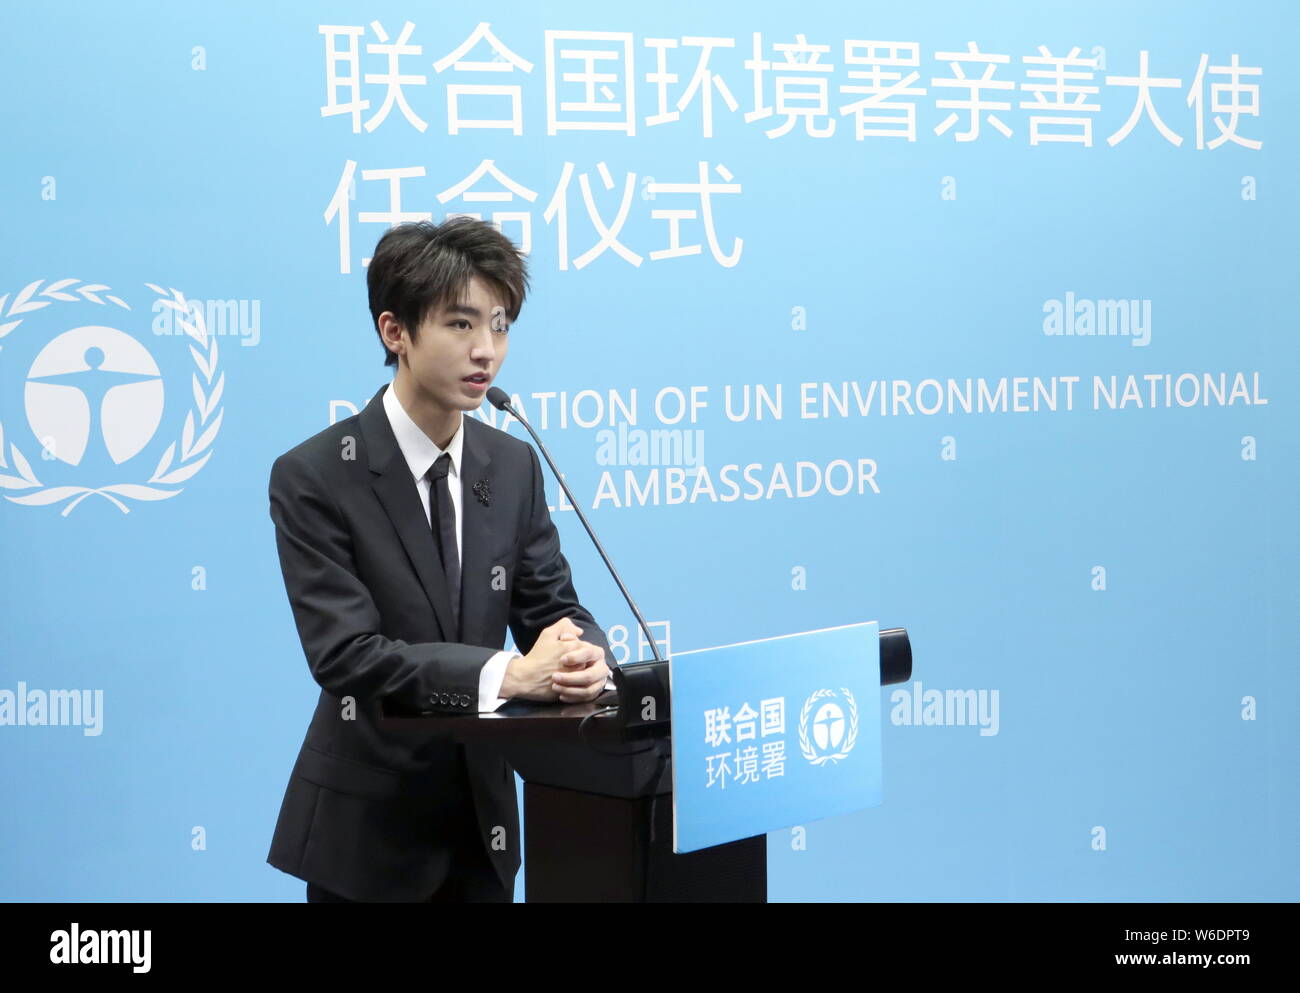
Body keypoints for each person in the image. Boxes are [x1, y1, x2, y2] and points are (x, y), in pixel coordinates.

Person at [265, 217, 611, 902]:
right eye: (460, 325)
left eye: (501, 325)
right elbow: (349, 654)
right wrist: (511, 673)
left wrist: (583, 655)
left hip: (483, 833)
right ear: (395, 331)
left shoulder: (511, 465)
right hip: (366, 838)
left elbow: (554, 609)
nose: (486, 350)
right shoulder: (315, 475)